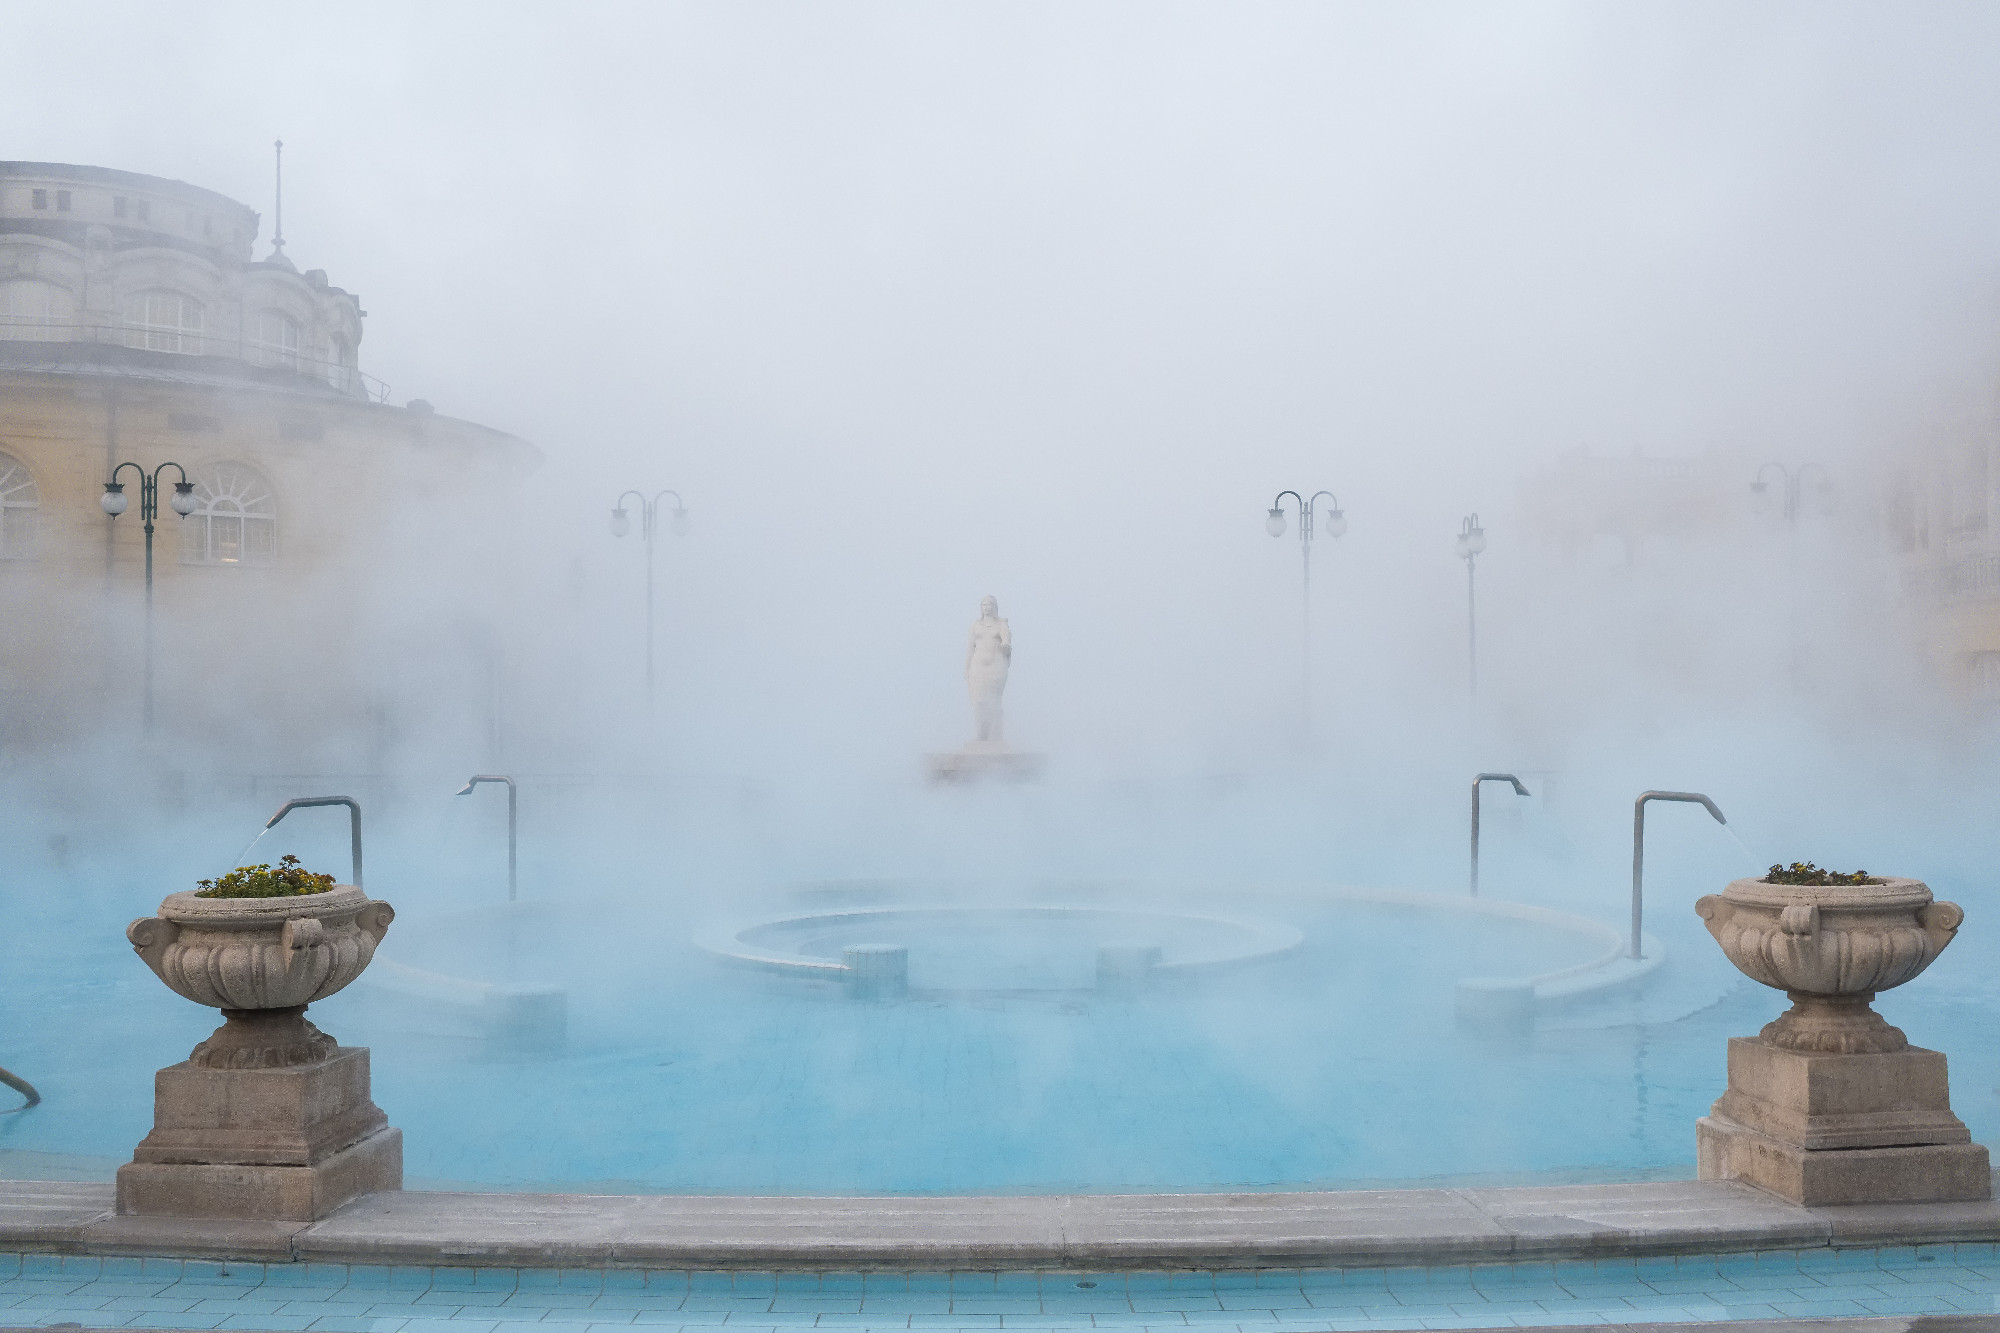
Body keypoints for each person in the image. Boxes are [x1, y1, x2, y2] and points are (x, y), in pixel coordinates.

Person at [964, 595, 1011, 746]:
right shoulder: (975, 625)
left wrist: (1005, 647)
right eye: (983, 605)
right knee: (978, 701)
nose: (986, 607)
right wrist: (967, 667)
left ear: (994, 607)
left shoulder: (1001, 625)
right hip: (978, 667)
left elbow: (1007, 644)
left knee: (993, 700)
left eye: (989, 604)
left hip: (996, 666)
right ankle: (981, 735)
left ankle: (995, 735)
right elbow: (970, 647)